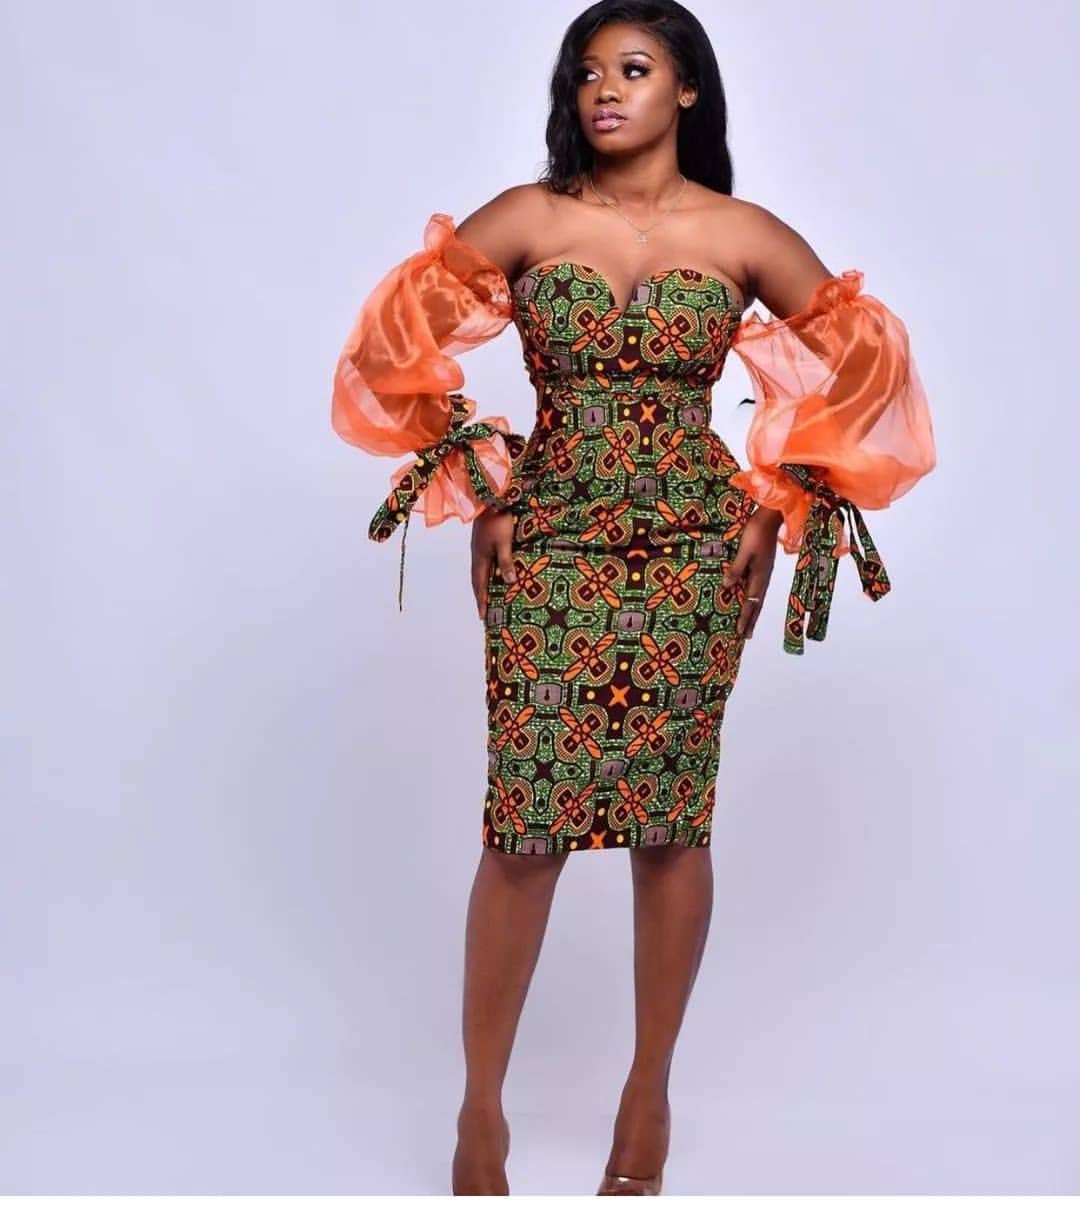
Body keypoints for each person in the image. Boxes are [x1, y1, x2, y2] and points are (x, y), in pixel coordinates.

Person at [331, 0, 936, 1196]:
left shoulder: (741, 232)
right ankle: (481, 1107)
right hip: (553, 544)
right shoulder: (531, 216)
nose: (603, 89)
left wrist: (775, 501)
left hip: (695, 555)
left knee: (673, 823)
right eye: (587, 72)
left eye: (634, 67)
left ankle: (647, 1091)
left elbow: (870, 360)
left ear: (687, 89)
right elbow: (391, 343)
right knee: (527, 825)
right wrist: (483, 479)